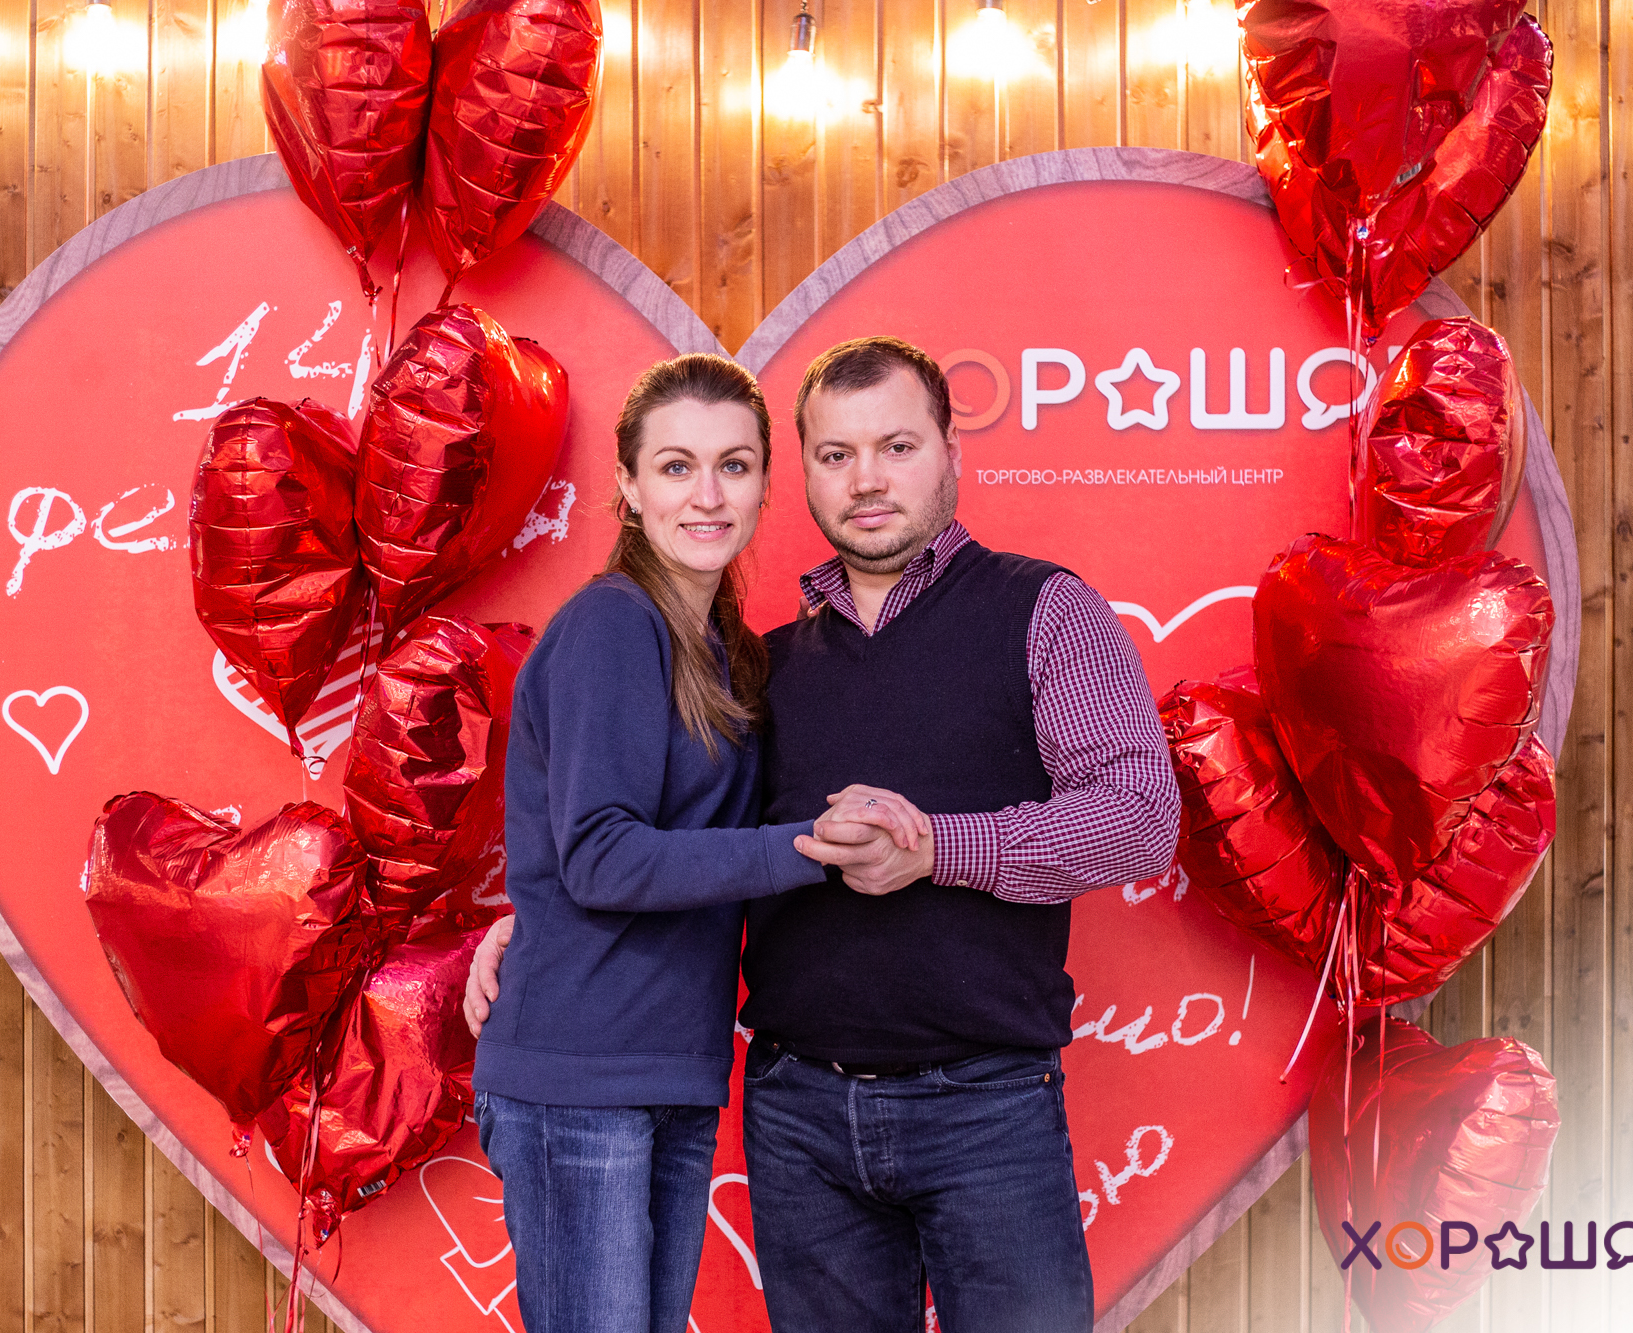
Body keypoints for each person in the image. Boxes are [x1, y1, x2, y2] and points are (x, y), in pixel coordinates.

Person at [469, 337, 1178, 1333]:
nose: (867, 478)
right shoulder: (765, 664)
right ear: (801, 475)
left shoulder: (1040, 611)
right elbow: (651, 843)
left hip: (985, 1106)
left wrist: (938, 847)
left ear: (951, 453)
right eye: (837, 454)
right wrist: (538, 921)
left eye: (897, 446)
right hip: (798, 1110)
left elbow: (1140, 818)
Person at [468, 352, 931, 1333]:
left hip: (670, 1069)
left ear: (765, 483)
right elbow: (600, 856)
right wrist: (808, 847)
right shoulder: (611, 623)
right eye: (676, 466)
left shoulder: (721, 648)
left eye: (734, 465)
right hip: (581, 1072)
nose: (708, 495)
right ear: (629, 487)